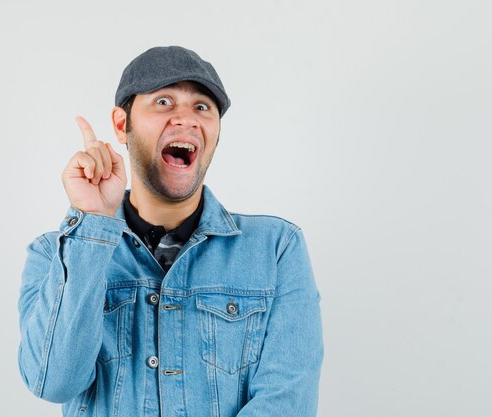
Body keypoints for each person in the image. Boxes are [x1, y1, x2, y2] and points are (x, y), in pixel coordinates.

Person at [18, 45, 323, 417]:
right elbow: (52, 381)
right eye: (163, 102)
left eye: (202, 107)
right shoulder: (53, 254)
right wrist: (93, 222)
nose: (187, 119)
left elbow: (286, 403)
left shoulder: (276, 248)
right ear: (121, 124)